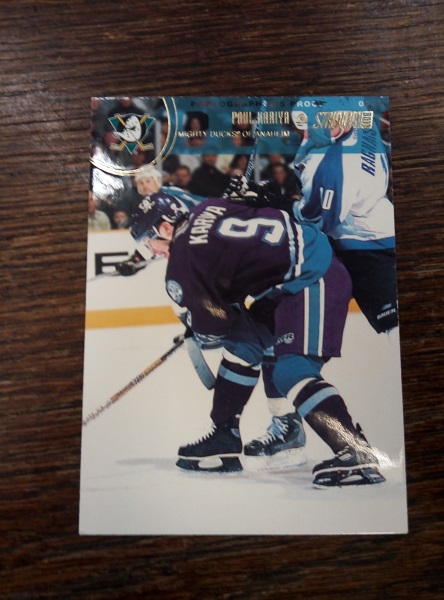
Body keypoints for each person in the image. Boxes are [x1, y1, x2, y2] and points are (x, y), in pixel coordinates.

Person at [129, 191, 386, 488]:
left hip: (313, 275)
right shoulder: (208, 206)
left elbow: (216, 328)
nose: (153, 251)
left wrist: (196, 324)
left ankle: (355, 452)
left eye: (149, 242)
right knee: (244, 345)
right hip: (291, 274)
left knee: (292, 371)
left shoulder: (182, 265)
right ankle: (224, 436)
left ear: (165, 227)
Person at [291, 99, 398, 336]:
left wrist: (283, 205)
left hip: (364, 247)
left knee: (393, 325)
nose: (307, 133)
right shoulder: (358, 115)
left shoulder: (330, 167)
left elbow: (317, 220)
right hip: (384, 223)